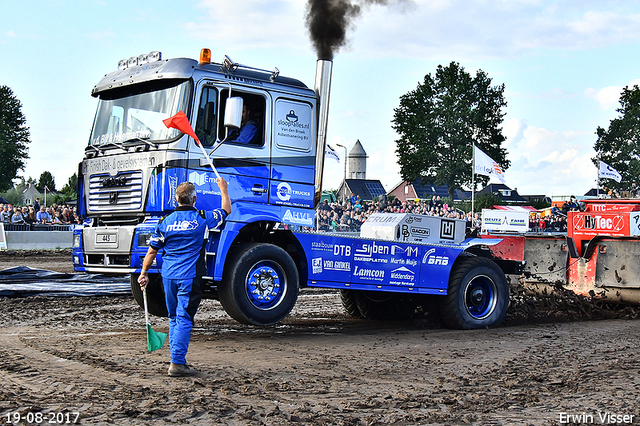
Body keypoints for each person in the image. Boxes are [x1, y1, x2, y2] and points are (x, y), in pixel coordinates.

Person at [138, 177, 231, 377]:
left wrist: (144, 273)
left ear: (175, 199)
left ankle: (177, 358)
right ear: (194, 199)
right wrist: (223, 189)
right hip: (189, 277)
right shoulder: (202, 218)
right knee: (184, 319)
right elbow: (226, 210)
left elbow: (152, 251)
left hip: (168, 277)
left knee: (174, 318)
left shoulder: (165, 222)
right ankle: (177, 363)